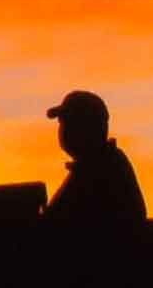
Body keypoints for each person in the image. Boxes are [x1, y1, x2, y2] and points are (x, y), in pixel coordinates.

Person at [41, 90, 146, 236]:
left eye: (67, 123)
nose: (62, 130)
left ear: (84, 127)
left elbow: (57, 223)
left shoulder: (100, 169)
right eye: (62, 123)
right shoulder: (97, 163)